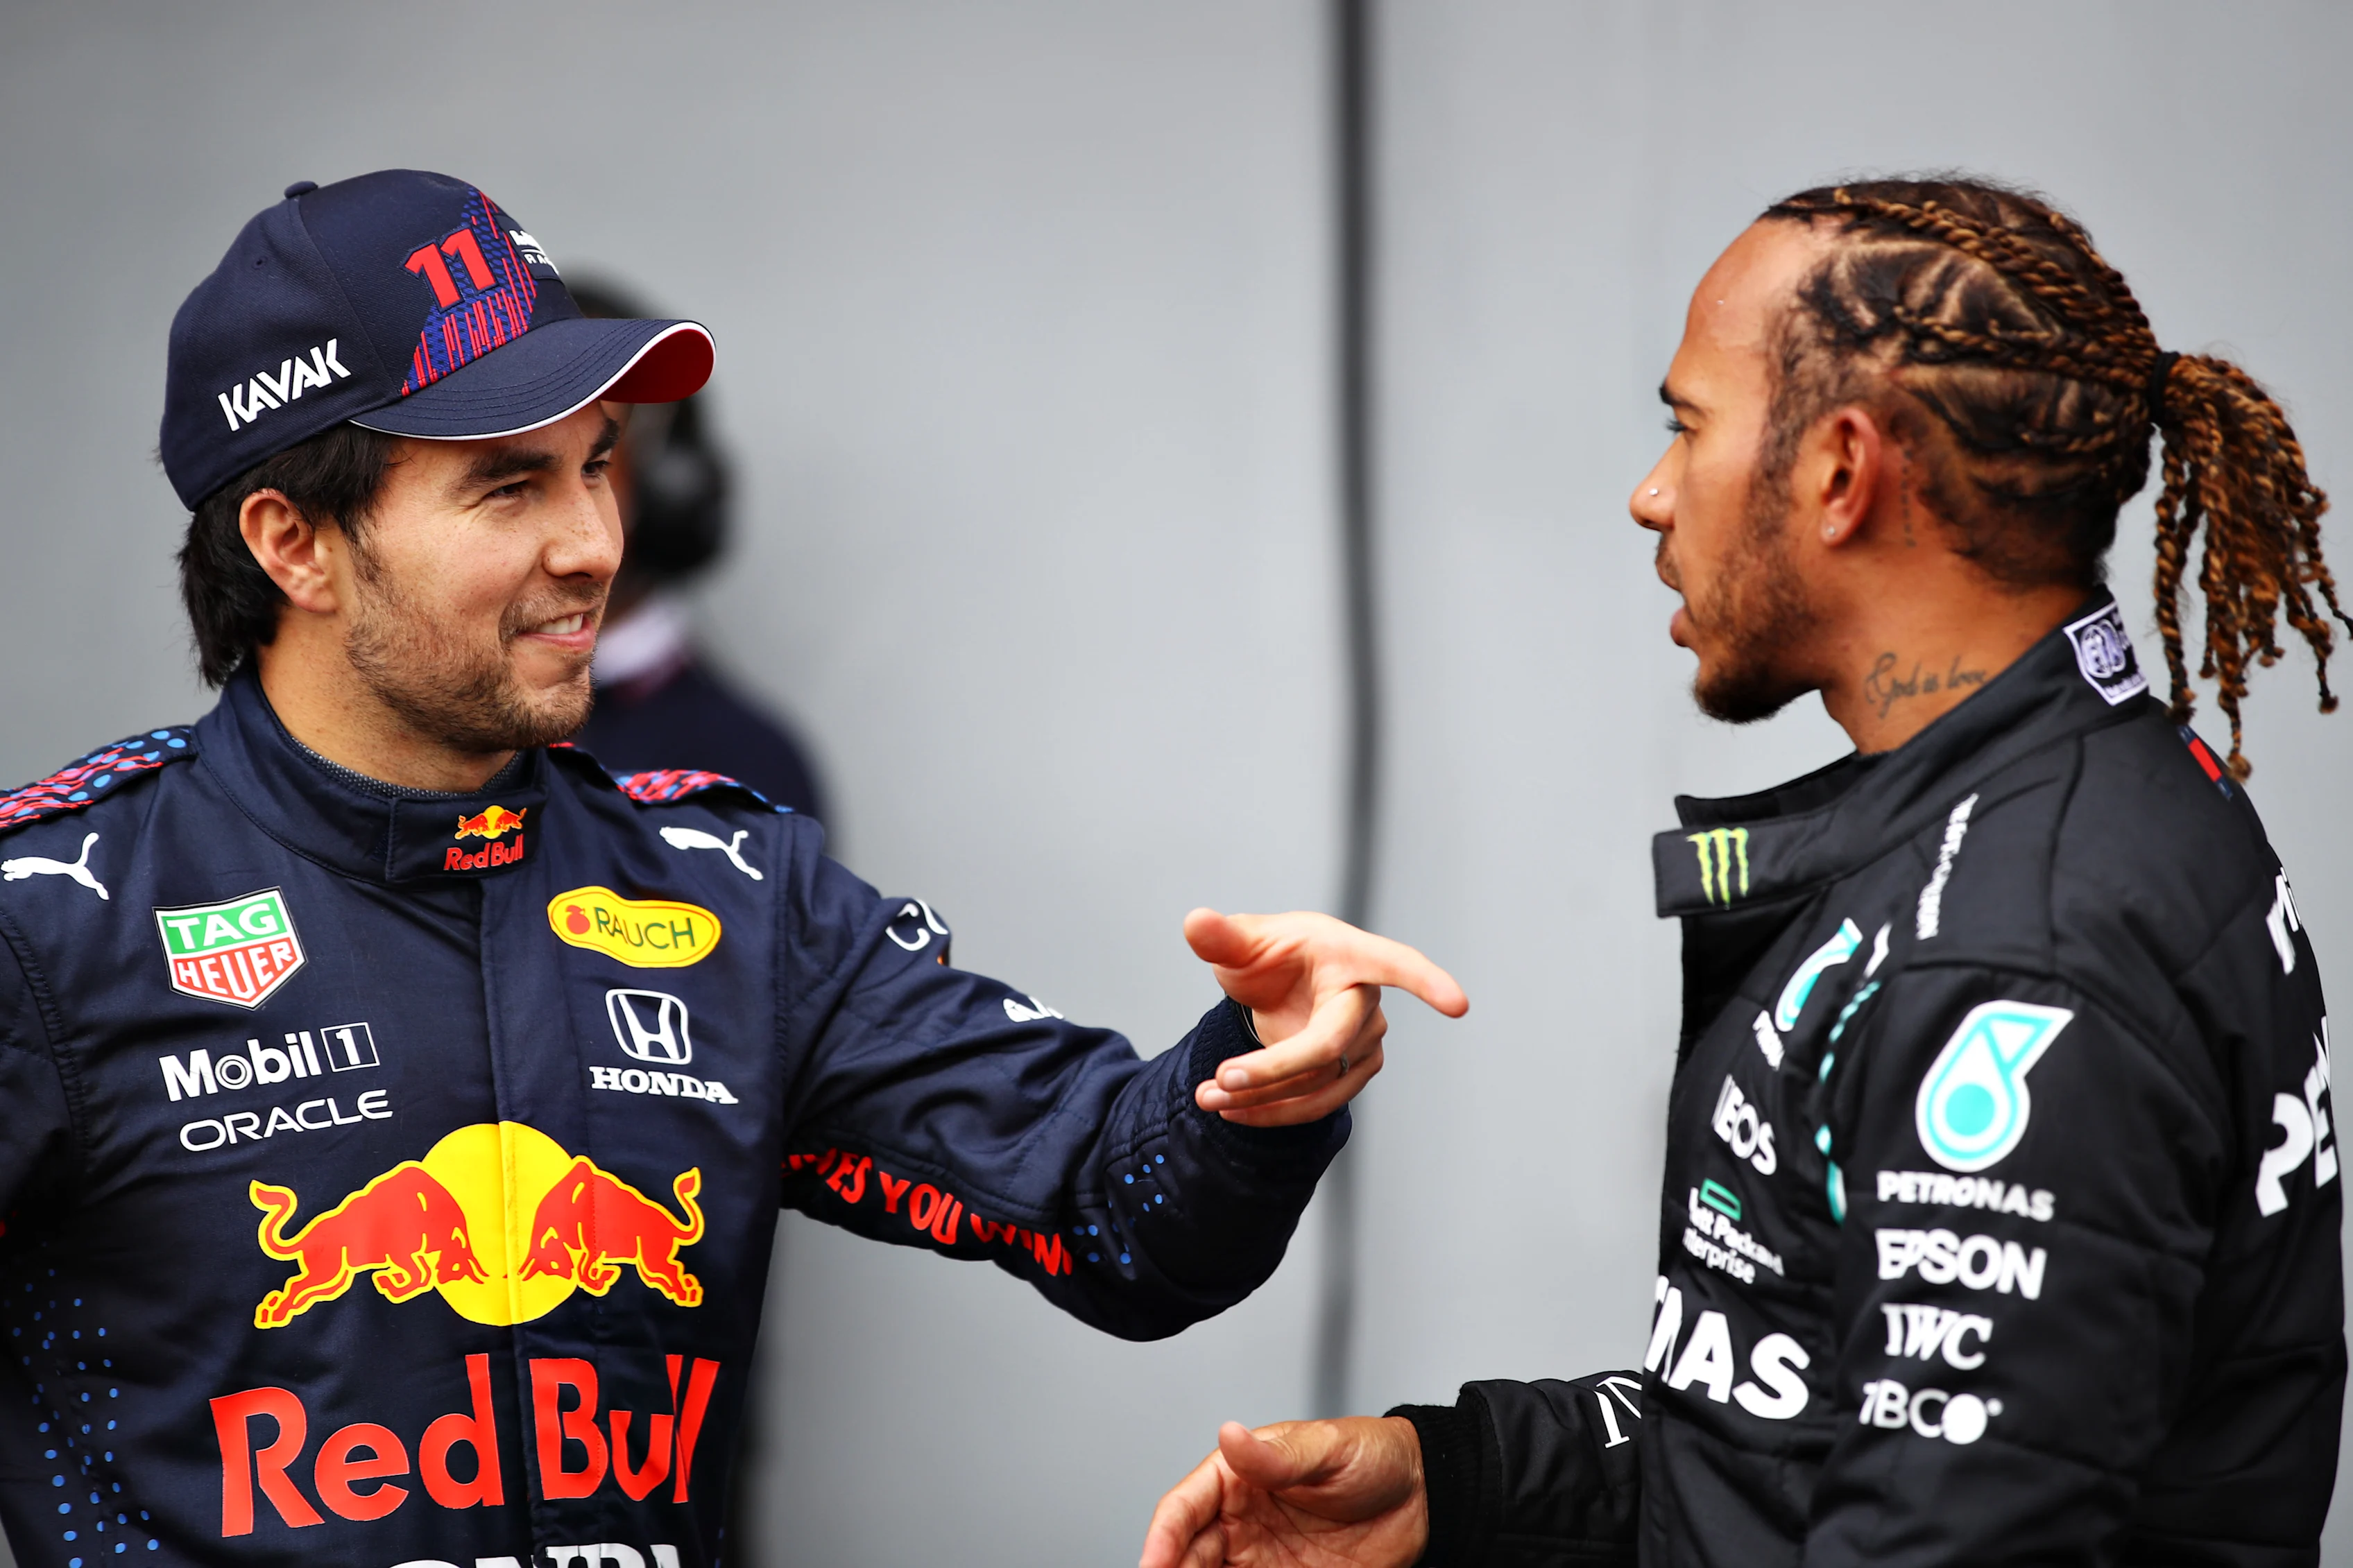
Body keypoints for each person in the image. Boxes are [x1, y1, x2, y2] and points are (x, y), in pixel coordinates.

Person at [0, 169, 1468, 1567]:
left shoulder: (728, 897)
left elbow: (1120, 1213)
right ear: (293, 543)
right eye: (510, 488)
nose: (593, 543)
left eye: (597, 468)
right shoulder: (52, 927)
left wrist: (1259, 1077)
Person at [1140, 177, 2346, 1567]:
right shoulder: (2052, 808)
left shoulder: (2020, 952)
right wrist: (1459, 1475)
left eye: (1684, 425)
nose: (1651, 494)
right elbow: (1809, 1426)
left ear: (1841, 470)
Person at [561, 277, 828, 822]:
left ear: (668, 490)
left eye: (593, 464)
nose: (541, 508)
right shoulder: (425, 724)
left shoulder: (744, 764)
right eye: (508, 475)